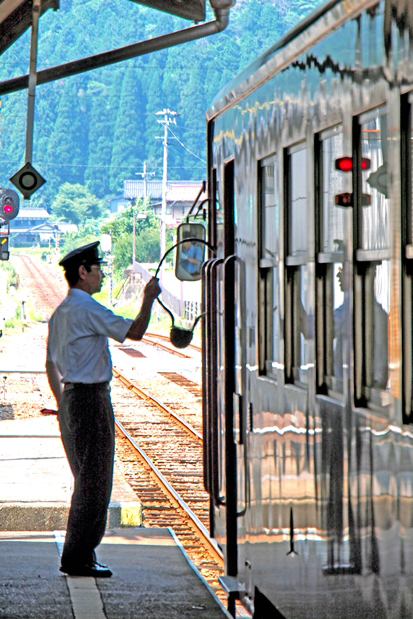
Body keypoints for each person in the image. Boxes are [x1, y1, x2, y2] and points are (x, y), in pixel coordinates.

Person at [46, 241, 161, 578]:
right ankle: (77, 557)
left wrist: (61, 403)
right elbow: (135, 332)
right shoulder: (87, 309)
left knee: (85, 478)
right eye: (97, 269)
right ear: (83, 272)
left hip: (71, 399)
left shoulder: (61, 313)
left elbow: (50, 363)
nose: (101, 275)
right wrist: (148, 299)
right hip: (91, 400)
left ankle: (82, 554)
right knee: (95, 483)